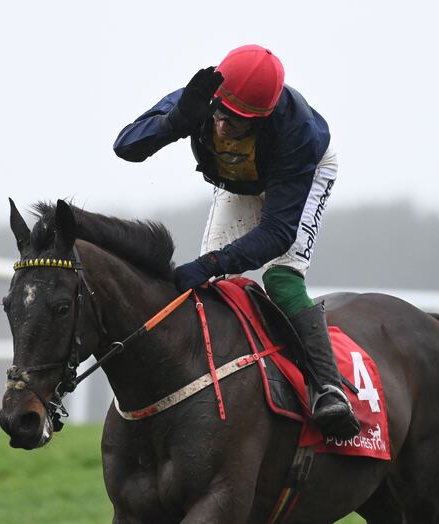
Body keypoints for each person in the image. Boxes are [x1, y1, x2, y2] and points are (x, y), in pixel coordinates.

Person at [113, 44, 360, 439]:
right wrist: (175, 122)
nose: (225, 126)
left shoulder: (297, 134)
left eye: (240, 122)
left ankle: (328, 388)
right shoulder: (198, 100)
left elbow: (279, 233)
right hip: (240, 179)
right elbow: (125, 147)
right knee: (214, 289)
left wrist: (214, 261)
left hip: (300, 174)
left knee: (280, 278)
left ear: (263, 119)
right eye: (221, 114)